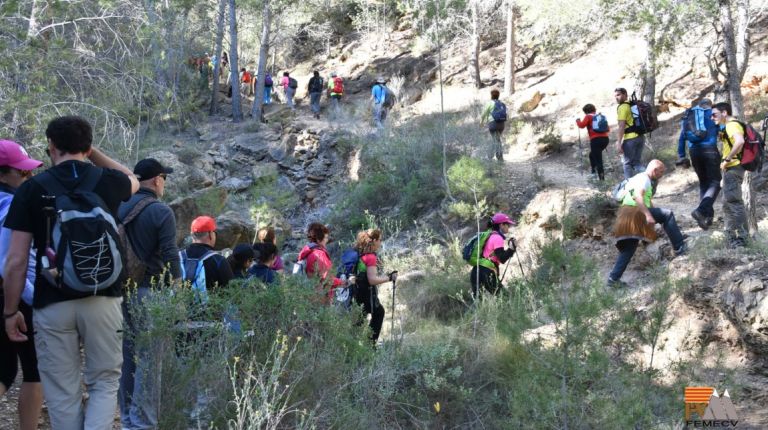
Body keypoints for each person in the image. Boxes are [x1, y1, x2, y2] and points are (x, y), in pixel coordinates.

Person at [3, 116, 140, 429]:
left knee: (62, 391)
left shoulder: (31, 188)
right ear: (88, 147)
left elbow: (15, 261)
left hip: (52, 302)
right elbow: (132, 177)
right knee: (104, 382)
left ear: (51, 146)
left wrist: (11, 311)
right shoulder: (108, 181)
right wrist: (94, 154)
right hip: (104, 297)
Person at [117, 158, 181, 430]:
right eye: (164, 178)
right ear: (157, 179)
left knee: (127, 357)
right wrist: (178, 293)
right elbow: (170, 255)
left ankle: (128, 418)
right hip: (151, 293)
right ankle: (143, 423)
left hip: (119, 293)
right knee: (150, 360)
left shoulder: (118, 206)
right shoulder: (161, 211)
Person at [0, 140, 43, 430]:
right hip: (12, 297)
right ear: (3, 174)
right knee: (27, 371)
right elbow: (9, 261)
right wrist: (32, 297)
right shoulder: (12, 204)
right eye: (22, 173)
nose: (27, 178)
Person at [608, 160, 687, 287]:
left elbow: (647, 202)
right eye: (661, 172)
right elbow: (638, 197)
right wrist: (649, 215)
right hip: (634, 213)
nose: (662, 175)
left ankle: (613, 279)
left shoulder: (635, 179)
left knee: (629, 249)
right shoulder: (644, 179)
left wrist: (653, 214)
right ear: (654, 170)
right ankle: (679, 247)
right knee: (667, 214)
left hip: (624, 215)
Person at [677, 98, 721, 230]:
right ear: (710, 105)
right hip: (710, 150)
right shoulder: (712, 114)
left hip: (694, 152)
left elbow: (681, 138)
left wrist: (681, 155)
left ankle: (706, 219)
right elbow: (723, 129)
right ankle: (701, 211)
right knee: (716, 182)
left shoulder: (688, 116)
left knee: (704, 183)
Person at [712, 102, 750, 248]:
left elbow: (739, 141)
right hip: (730, 169)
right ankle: (730, 234)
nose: (712, 117)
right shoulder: (727, 126)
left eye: (714, 114)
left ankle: (742, 238)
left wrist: (728, 159)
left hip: (733, 167)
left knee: (734, 202)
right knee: (727, 202)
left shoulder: (731, 125)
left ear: (724, 113)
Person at [353, 229, 396, 343]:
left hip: (357, 293)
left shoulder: (360, 253)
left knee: (359, 320)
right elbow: (372, 280)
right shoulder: (370, 257)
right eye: (380, 240)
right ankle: (370, 345)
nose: (380, 242)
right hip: (366, 294)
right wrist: (390, 278)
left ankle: (352, 348)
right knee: (379, 313)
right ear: (374, 241)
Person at [180, 216, 234, 297]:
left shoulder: (178, 257)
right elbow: (232, 291)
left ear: (192, 235)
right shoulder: (218, 260)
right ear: (210, 234)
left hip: (178, 308)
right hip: (209, 309)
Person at [469, 213, 517, 297]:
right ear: (501, 225)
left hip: (476, 271)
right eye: (507, 224)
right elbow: (502, 258)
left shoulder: (489, 236)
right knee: (504, 297)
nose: (508, 227)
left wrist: (510, 250)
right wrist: (511, 249)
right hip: (486, 272)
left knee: (478, 303)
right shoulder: (497, 238)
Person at [296, 222, 344, 303]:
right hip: (320, 298)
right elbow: (327, 279)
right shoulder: (319, 254)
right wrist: (344, 282)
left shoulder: (308, 252)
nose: (327, 240)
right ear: (318, 239)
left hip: (308, 296)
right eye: (325, 237)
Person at [615, 87, 645, 179]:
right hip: (640, 137)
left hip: (630, 139)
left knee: (627, 163)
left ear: (625, 95)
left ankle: (628, 186)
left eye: (618, 95)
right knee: (636, 162)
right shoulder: (632, 105)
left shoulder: (623, 107)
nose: (616, 97)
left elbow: (621, 126)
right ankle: (648, 176)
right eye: (615, 96)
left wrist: (619, 142)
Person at [575, 104, 610, 180]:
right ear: (594, 109)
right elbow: (608, 128)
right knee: (592, 155)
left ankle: (601, 180)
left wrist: (577, 121)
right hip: (605, 139)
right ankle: (593, 171)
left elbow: (581, 125)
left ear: (586, 111)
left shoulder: (588, 116)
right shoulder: (600, 116)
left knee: (598, 160)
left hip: (596, 140)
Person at [480, 89, 507, 161]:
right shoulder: (502, 104)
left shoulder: (489, 103)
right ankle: (496, 156)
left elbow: (484, 113)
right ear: (498, 96)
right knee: (496, 139)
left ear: (491, 95)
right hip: (501, 124)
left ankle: (493, 157)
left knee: (495, 140)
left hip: (493, 124)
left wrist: (481, 122)